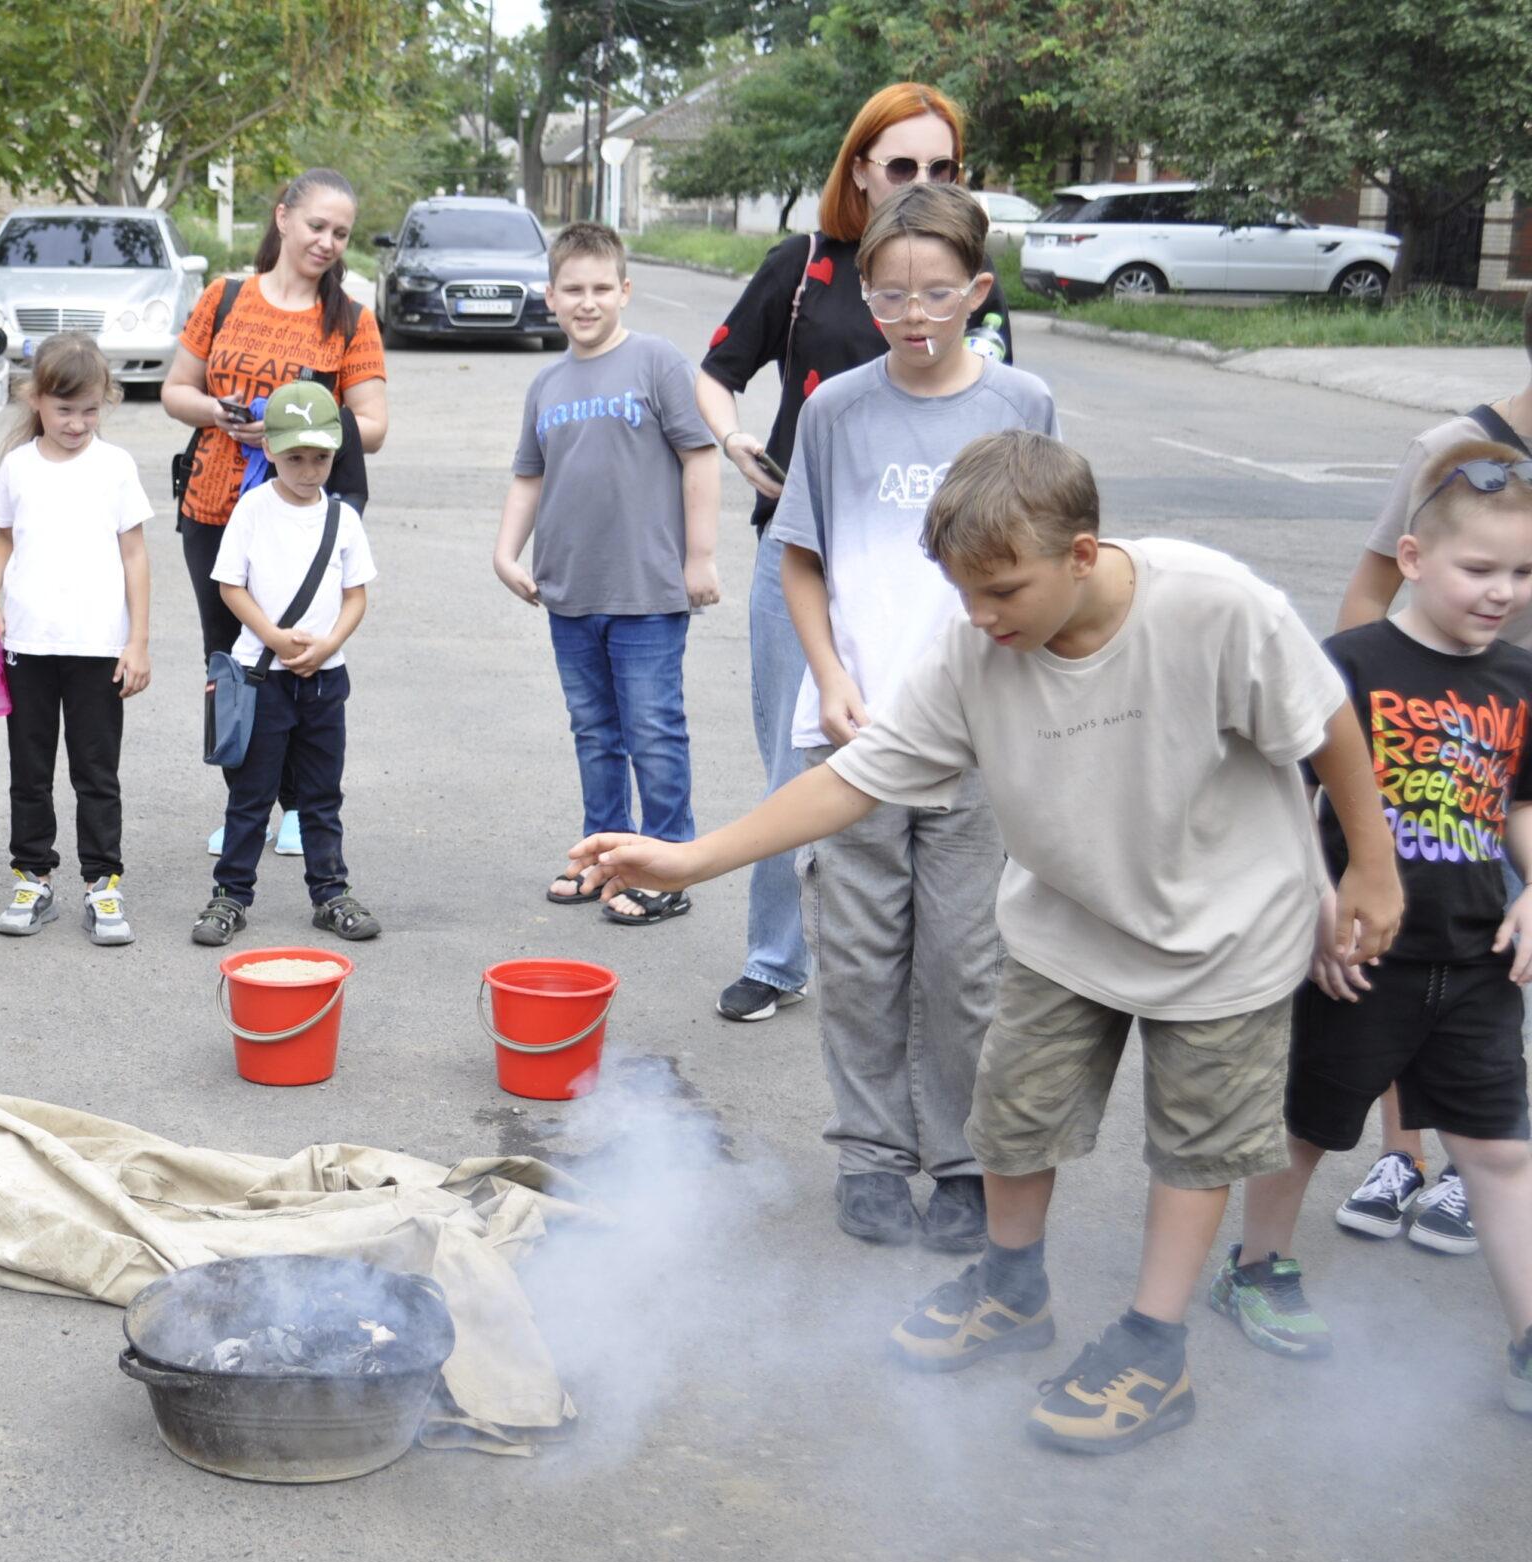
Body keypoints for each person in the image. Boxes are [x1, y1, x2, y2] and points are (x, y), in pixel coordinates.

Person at [570, 431, 1404, 1454]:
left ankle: (1153, 1343)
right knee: (1011, 1114)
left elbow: (1325, 721)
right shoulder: (975, 646)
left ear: (1082, 554)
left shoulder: (1214, 605)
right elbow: (856, 775)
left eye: (1003, 590)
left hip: (1224, 929)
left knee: (1193, 1143)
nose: (979, 616)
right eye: (964, 592)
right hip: (1066, 919)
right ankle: (1011, 1289)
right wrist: (694, 857)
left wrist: (1369, 863)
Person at [1214, 441, 1532, 1413]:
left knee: (1499, 1148)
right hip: (1360, 958)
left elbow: (1516, 802)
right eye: (1480, 568)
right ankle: (1256, 1267)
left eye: (1522, 572)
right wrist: (1316, 904)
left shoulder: (1519, 677)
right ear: (1413, 556)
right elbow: (1280, 798)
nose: (1502, 591)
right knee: (1306, 1127)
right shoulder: (1346, 662)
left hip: (1479, 954)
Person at [695, 82, 1018, 1025]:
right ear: (860, 169)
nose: (921, 181)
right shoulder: (806, 268)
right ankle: (776, 954)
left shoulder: (965, 275)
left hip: (932, 575)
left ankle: (917, 958)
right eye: (902, 165)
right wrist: (735, 441)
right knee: (800, 762)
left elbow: (1004, 435)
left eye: (942, 168)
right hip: (804, 557)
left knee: (945, 772)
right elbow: (717, 373)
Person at [772, 185, 1054, 1254]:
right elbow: (799, 553)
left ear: (978, 291)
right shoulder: (838, 407)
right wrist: (827, 670)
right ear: (863, 293)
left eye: (937, 293)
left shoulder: (1022, 402)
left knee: (967, 962)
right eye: (891, 295)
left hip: (987, 740)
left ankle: (967, 1159)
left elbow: (1057, 568)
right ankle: (872, 1154)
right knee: (857, 953)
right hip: (853, 729)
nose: (914, 314)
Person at [1328, 291, 1532, 1250]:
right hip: (1432, 734)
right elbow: (1372, 589)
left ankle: (1476, 1158)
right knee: (1416, 927)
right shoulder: (1455, 447)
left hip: (1518, 737)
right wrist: (1358, 746)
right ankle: (1401, 1153)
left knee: (1495, 953)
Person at [491, 222, 720, 925]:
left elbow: (700, 456)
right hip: (571, 591)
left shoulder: (656, 362)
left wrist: (700, 556)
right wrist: (506, 553)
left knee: (652, 727)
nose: (586, 303)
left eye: (600, 289)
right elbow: (529, 478)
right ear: (550, 298)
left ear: (624, 290)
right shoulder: (547, 383)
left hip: (648, 592)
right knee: (595, 730)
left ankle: (666, 862)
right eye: (572, 290)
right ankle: (604, 854)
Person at [162, 168, 389, 860]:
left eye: (340, 233)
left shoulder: (349, 318)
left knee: (300, 658)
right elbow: (176, 390)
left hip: (302, 520)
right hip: (214, 507)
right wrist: (218, 413)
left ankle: (297, 807)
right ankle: (245, 806)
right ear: (283, 217)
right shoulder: (224, 297)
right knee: (231, 664)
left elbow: (374, 426)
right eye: (317, 225)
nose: (327, 241)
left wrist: (301, 426)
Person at [0, 333, 154, 944]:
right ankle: (33, 876)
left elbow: (135, 555)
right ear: (35, 398)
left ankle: (103, 885)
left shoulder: (116, 466)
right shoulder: (18, 466)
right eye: (65, 409)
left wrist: (139, 641)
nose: (78, 422)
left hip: (98, 646)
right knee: (30, 767)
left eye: (91, 409)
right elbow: (3, 538)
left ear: (107, 402)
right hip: (28, 644)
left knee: (97, 771)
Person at [191, 381, 381, 948]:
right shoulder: (252, 508)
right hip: (262, 677)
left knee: (323, 795)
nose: (308, 470)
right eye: (295, 457)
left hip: (324, 679)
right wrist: (272, 635)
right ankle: (230, 896)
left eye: (320, 457)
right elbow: (229, 584)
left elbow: (356, 596)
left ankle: (331, 894)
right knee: (250, 796)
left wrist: (327, 646)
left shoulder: (343, 518)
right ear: (268, 449)